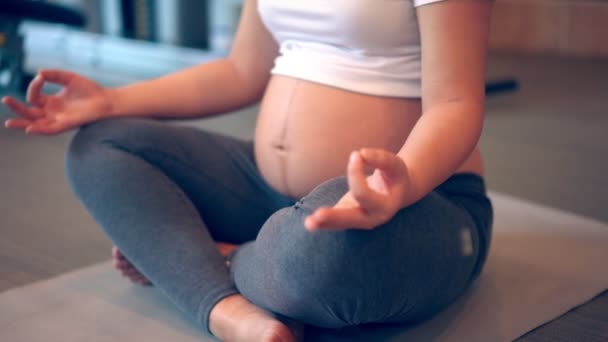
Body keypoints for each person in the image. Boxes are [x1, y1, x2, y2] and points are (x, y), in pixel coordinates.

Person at [2, 0, 494, 341]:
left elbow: (455, 104)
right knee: (103, 144)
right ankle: (228, 308)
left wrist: (401, 180)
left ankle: (215, 259)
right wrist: (110, 100)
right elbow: (242, 70)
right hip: (269, 193)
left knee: (328, 259)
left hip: (413, 206)